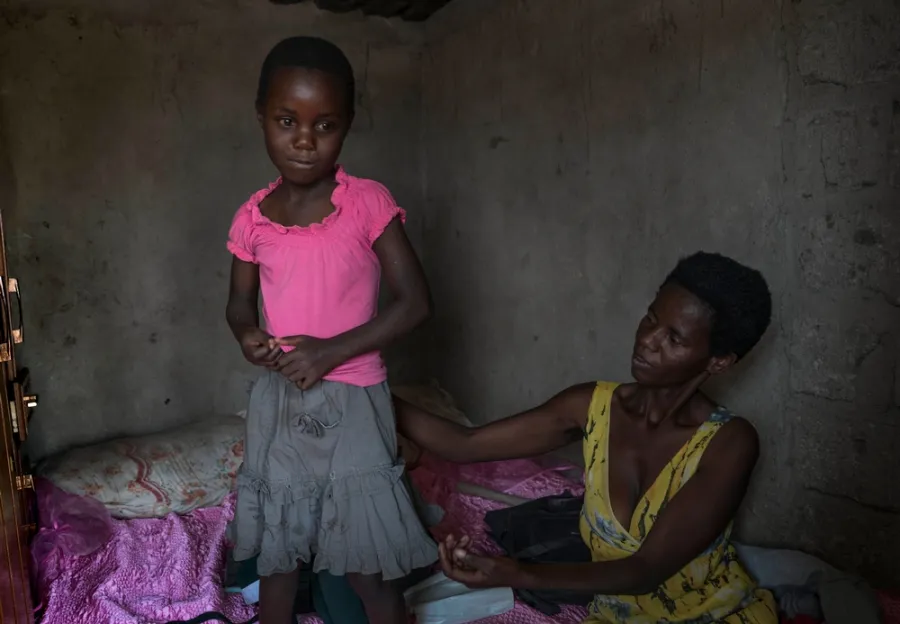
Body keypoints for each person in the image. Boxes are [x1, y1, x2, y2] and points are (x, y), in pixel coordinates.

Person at [395, 251, 779, 624]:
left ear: (718, 361)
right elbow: (465, 443)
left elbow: (646, 570)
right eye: (650, 318)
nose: (648, 340)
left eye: (674, 339)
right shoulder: (592, 406)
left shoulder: (728, 443)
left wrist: (516, 573)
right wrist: (370, 392)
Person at [225, 36, 438, 624]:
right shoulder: (252, 218)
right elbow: (239, 304)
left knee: (368, 568)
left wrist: (329, 353)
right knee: (279, 559)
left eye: (325, 125)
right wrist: (247, 335)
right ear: (261, 117)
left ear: (346, 125)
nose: (304, 139)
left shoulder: (367, 203)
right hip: (281, 399)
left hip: (355, 401)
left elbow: (416, 302)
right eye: (286, 121)